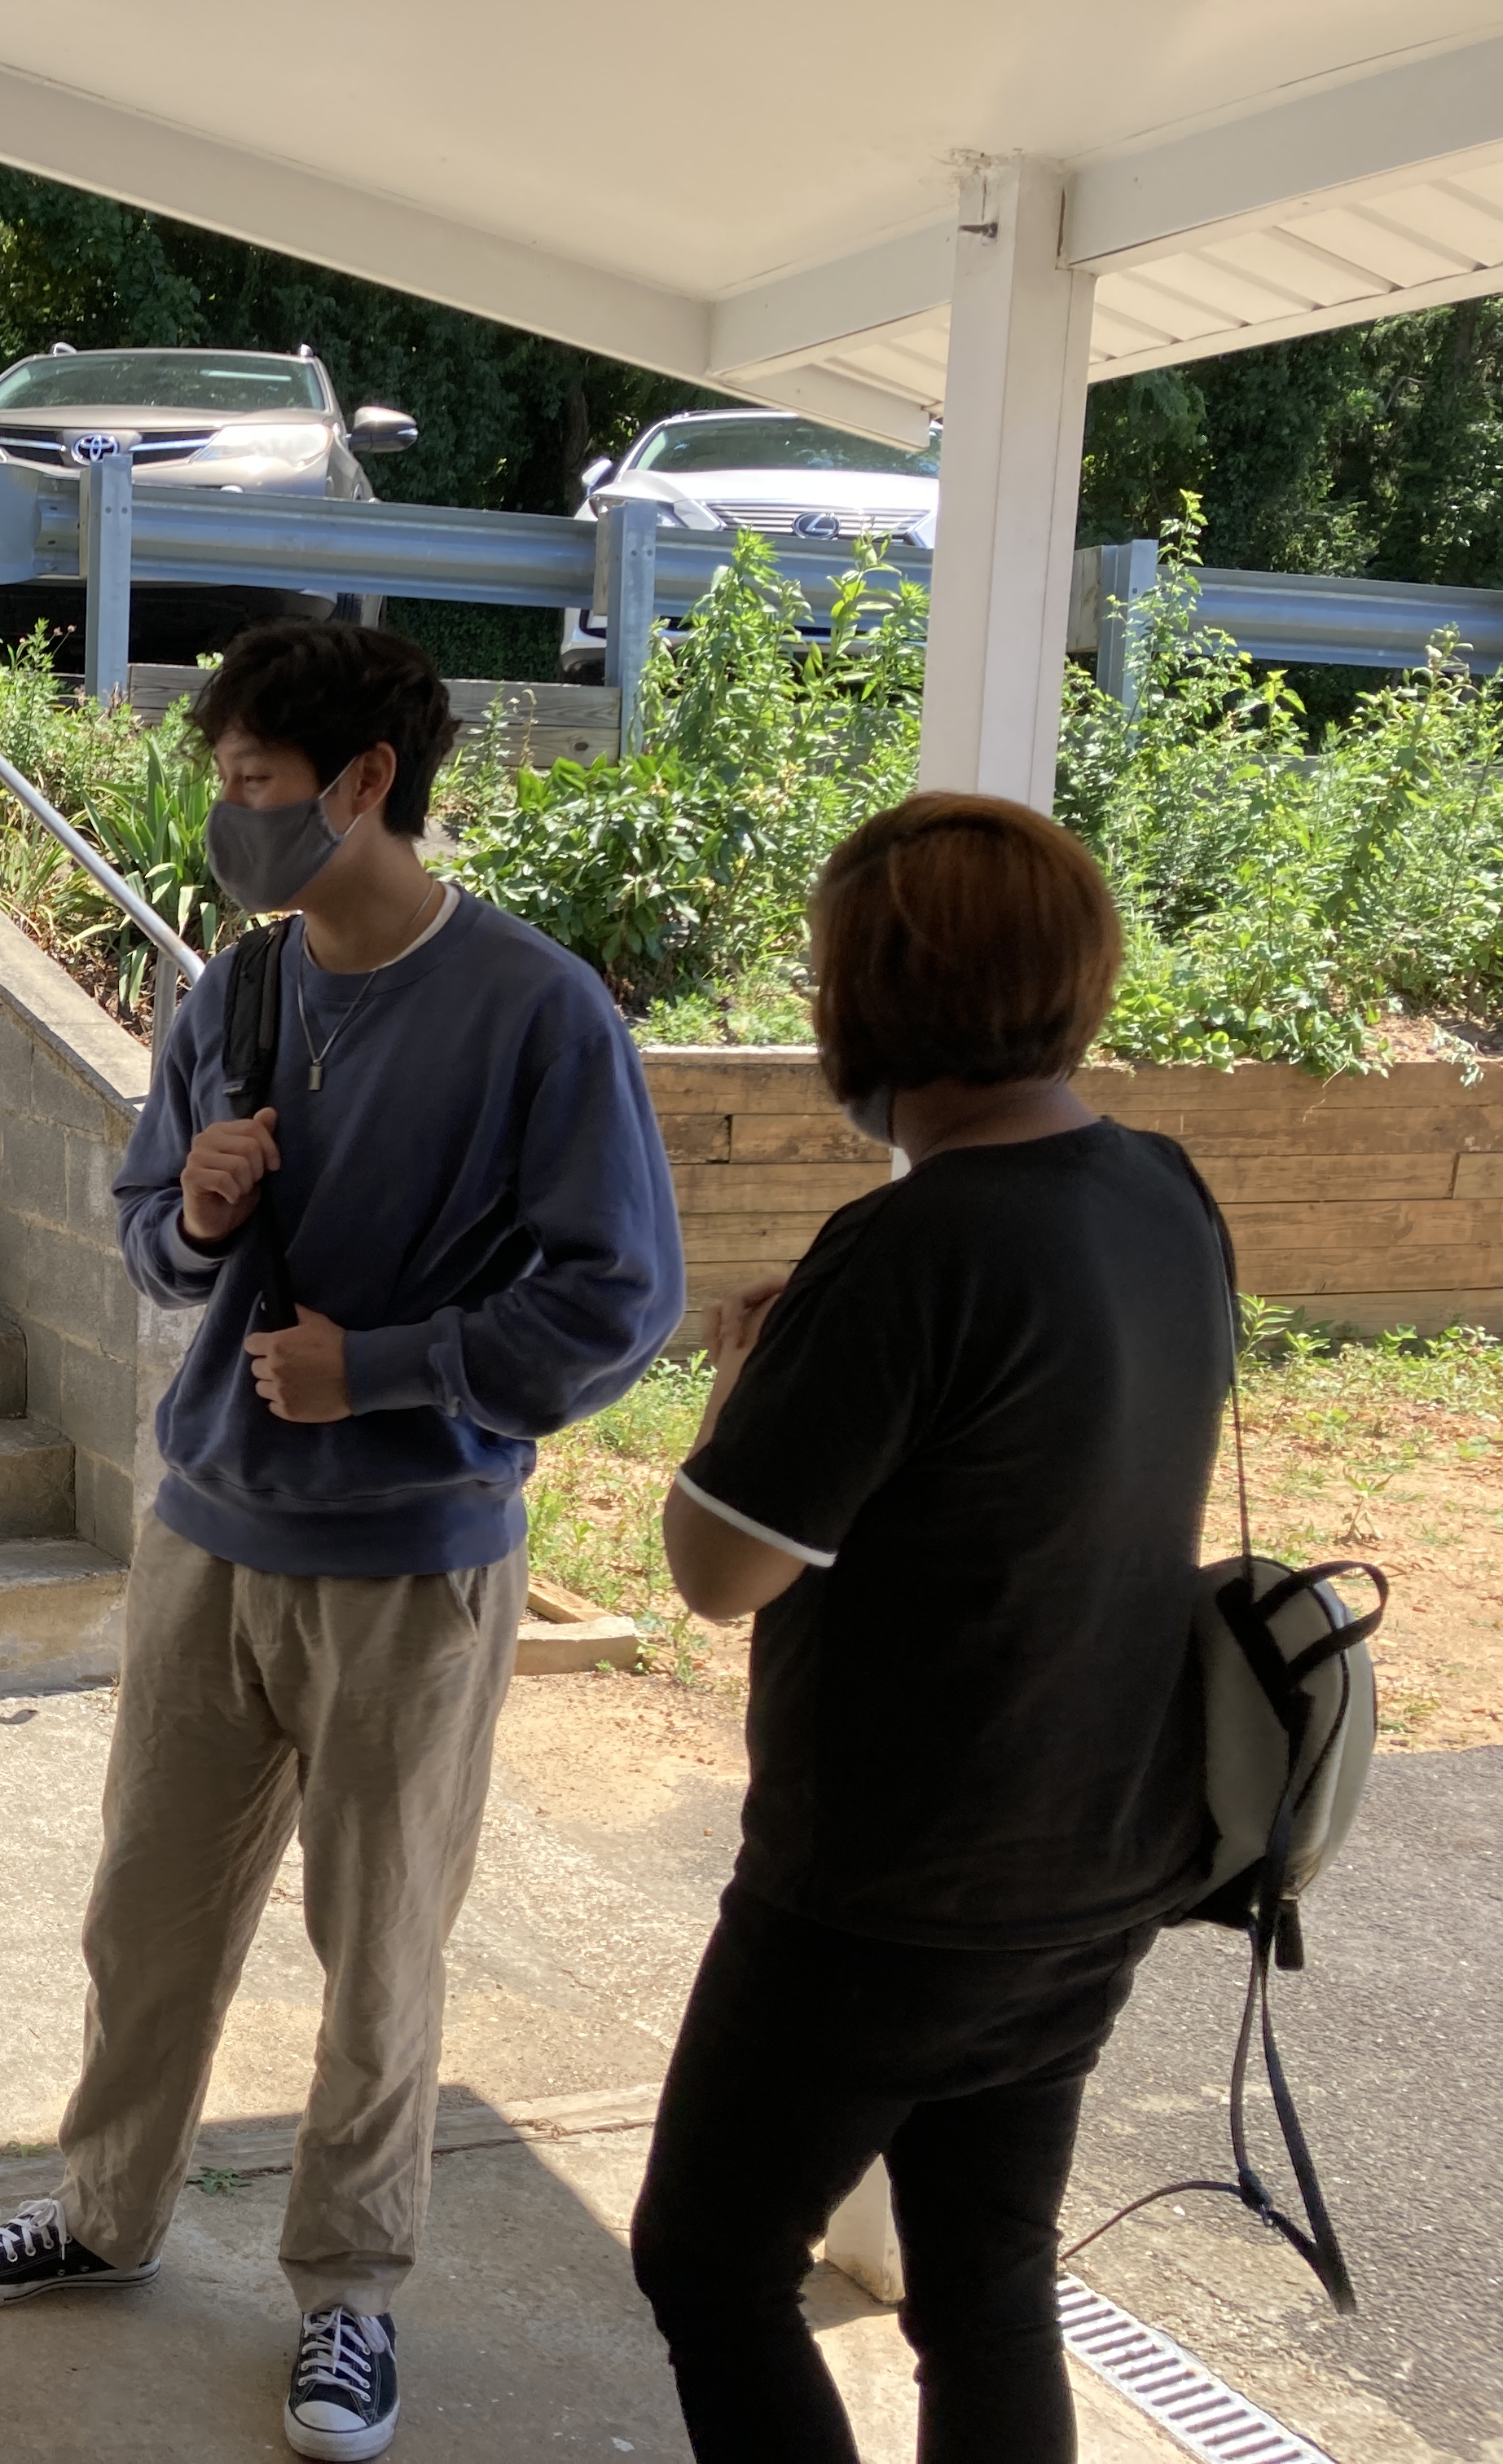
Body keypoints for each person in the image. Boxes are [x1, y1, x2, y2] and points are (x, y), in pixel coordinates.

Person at [0, 620, 688, 2462]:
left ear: (363, 783)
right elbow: (146, 1236)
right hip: (210, 1532)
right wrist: (193, 1210)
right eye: (223, 781)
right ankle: (104, 2212)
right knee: (146, 1913)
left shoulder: (534, 1010)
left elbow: (620, 1298)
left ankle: (349, 2293)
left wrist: (387, 1370)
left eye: (254, 782)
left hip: (413, 1558)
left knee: (378, 1945)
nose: (226, 814)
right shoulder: (237, 993)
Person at [631, 793, 1233, 2464]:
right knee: (986, 2279)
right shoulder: (1162, 1191)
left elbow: (719, 1567)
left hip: (885, 1890)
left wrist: (746, 1384)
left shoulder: (908, 1246)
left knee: (709, 2259)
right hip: (1098, 1854)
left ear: (878, 995)